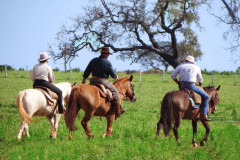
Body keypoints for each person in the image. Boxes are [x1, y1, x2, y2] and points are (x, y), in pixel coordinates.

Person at [82, 46, 124, 119]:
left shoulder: (93, 60)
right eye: (108, 54)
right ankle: (117, 111)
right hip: (103, 81)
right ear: (105, 54)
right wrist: (115, 76)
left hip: (92, 80)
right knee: (116, 92)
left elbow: (87, 71)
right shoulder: (107, 62)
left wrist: (84, 79)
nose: (108, 56)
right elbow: (112, 74)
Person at [171, 55, 210, 121]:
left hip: (182, 86)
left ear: (186, 60)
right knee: (206, 97)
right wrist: (199, 86)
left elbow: (173, 75)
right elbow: (200, 80)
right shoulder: (196, 67)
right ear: (192, 61)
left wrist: (179, 83)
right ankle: (203, 114)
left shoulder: (180, 66)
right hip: (192, 86)